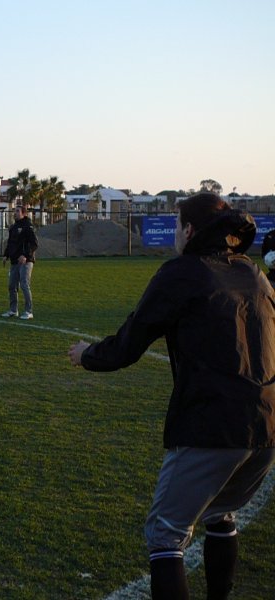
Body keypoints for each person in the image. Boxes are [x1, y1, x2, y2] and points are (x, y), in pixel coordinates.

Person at [67, 192, 275, 600]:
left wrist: (87, 354)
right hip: (267, 423)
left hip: (213, 423)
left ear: (190, 230)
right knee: (219, 513)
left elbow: (131, 341)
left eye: (178, 224)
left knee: (165, 535)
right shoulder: (251, 272)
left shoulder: (183, 273)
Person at [1, 204, 38, 320]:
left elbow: (34, 244)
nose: (15, 213)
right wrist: (6, 255)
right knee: (12, 285)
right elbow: (10, 243)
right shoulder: (13, 227)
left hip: (25, 261)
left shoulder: (28, 226)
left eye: (17, 211)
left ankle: (28, 311)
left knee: (24, 285)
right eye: (14, 211)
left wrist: (25, 255)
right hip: (14, 261)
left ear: (24, 213)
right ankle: (13, 310)